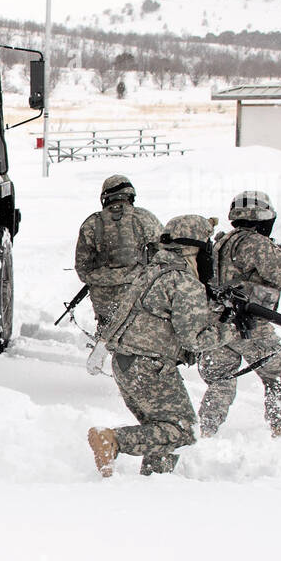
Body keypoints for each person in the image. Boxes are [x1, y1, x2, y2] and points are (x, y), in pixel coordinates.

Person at [87, 215, 233, 477]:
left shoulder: (149, 273)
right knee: (181, 430)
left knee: (160, 431)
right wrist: (228, 332)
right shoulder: (185, 282)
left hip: (125, 363)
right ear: (194, 249)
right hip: (149, 365)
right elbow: (194, 339)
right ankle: (112, 440)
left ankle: (154, 483)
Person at [196, 191, 281, 439]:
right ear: (263, 217)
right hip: (250, 324)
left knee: (221, 380)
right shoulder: (257, 243)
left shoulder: (221, 241)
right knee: (277, 377)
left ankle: (206, 431)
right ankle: (279, 429)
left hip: (218, 322)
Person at [74, 174, 162, 329]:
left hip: (104, 299)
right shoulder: (144, 218)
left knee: (107, 333)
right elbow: (163, 255)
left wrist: (103, 278)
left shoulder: (91, 223)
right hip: (139, 293)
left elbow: (82, 268)